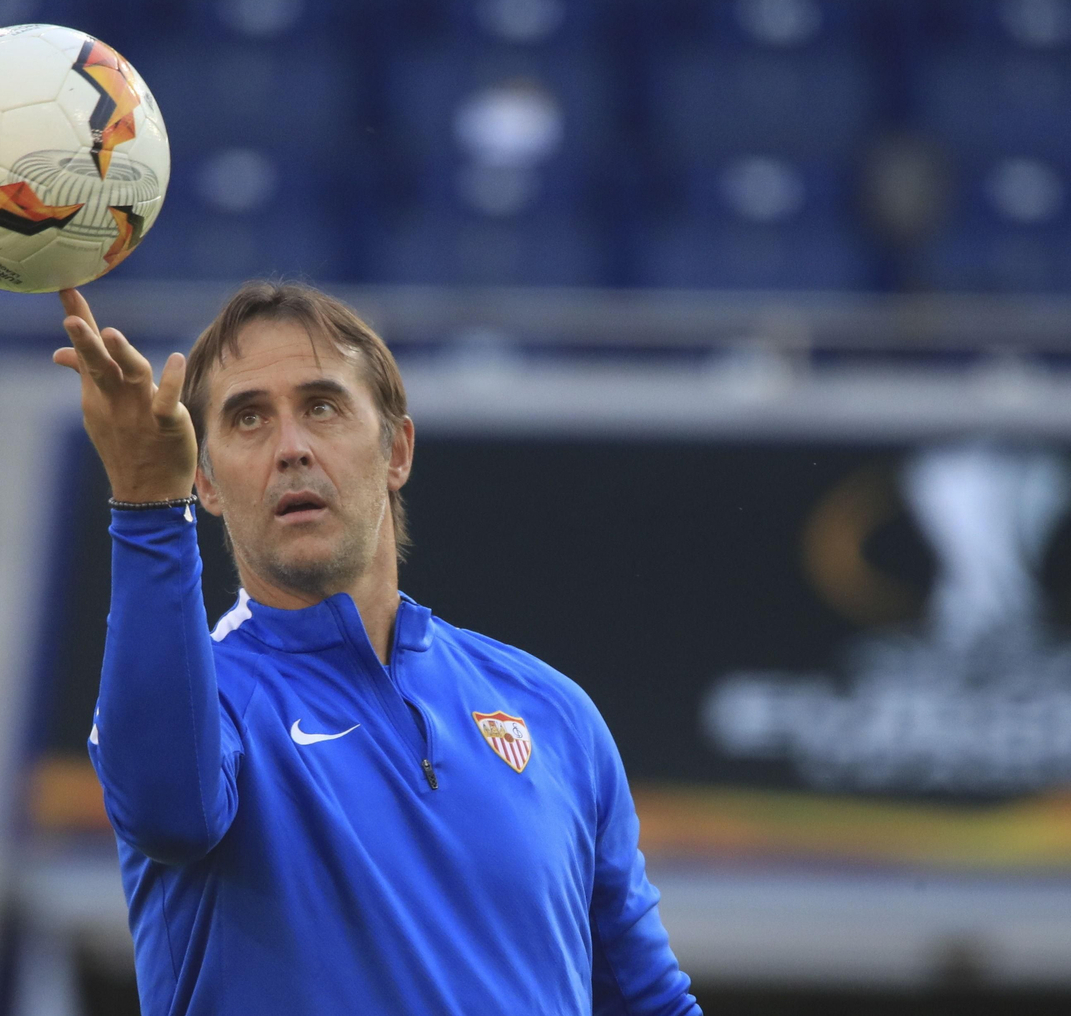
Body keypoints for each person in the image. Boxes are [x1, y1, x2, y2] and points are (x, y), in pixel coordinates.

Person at [53, 279, 700, 1016]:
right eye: (248, 419)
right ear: (205, 481)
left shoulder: (555, 714)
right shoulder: (203, 699)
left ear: (397, 450)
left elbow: (650, 1001)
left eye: (322, 407)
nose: (291, 448)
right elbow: (168, 814)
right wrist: (145, 505)